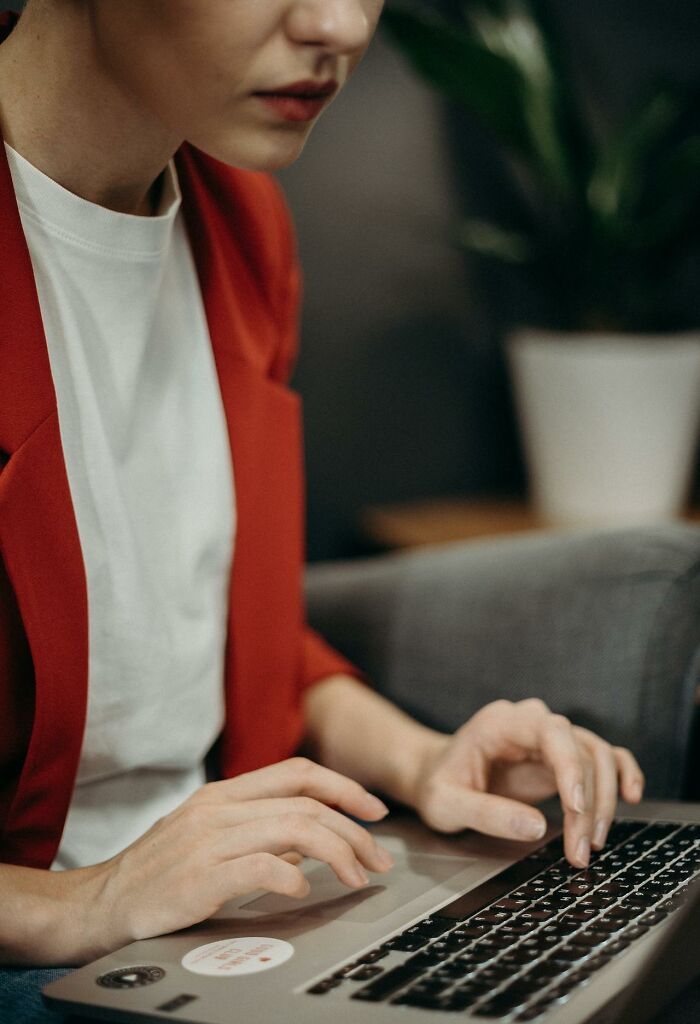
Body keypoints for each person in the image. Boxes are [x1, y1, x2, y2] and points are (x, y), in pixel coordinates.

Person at [0, 0, 644, 972]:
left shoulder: (242, 222)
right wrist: (91, 899)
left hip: (227, 925)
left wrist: (425, 759)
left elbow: (206, 632)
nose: (341, 26)